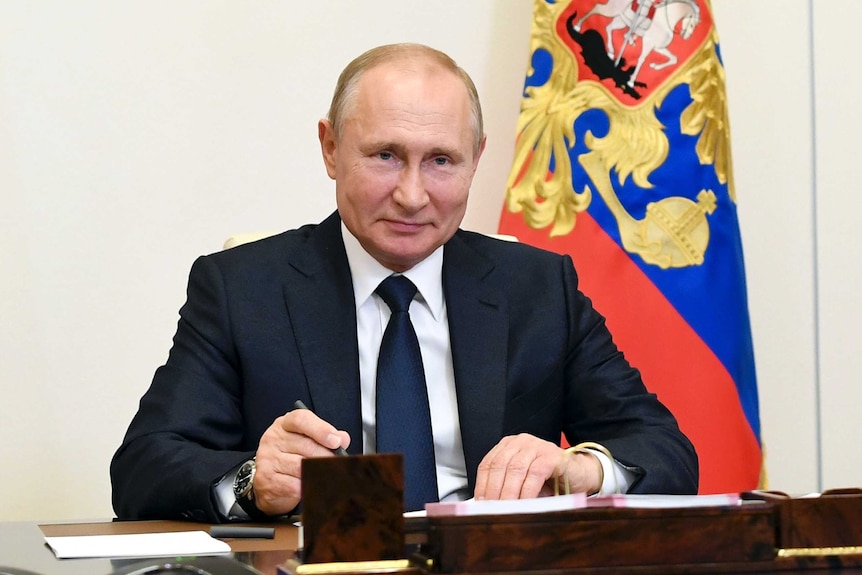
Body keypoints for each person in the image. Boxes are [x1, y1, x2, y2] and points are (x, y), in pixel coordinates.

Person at [110, 42, 697, 522]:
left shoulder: (537, 287)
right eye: (386, 155)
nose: (412, 195)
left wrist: (583, 468)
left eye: (441, 160)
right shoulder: (244, 289)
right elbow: (143, 468)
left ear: (476, 158)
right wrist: (252, 481)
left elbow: (666, 451)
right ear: (331, 148)